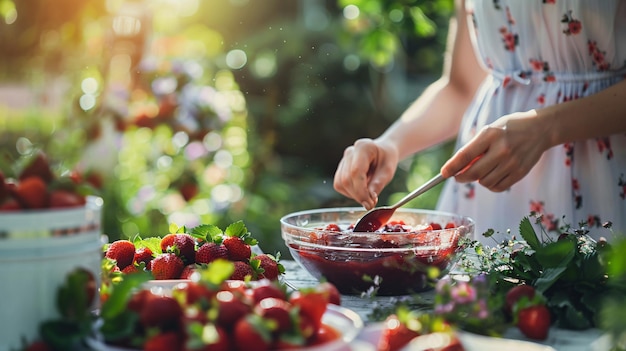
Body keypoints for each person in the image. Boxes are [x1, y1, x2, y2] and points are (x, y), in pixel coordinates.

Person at [333, 0, 626, 243]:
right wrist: (390, 144)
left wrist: (547, 127)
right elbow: (461, 87)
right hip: (490, 193)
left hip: (603, 181)